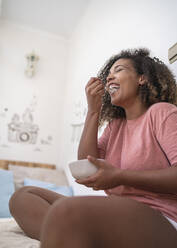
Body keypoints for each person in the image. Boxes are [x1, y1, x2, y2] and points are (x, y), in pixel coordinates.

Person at [9, 48, 177, 248]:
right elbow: (87, 164)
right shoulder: (116, 125)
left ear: (142, 78)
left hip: (161, 217)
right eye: (108, 74)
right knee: (23, 197)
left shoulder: (161, 113)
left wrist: (121, 176)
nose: (109, 77)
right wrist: (93, 111)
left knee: (67, 211)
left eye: (119, 70)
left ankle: (69, 232)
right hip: (117, 213)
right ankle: (71, 235)